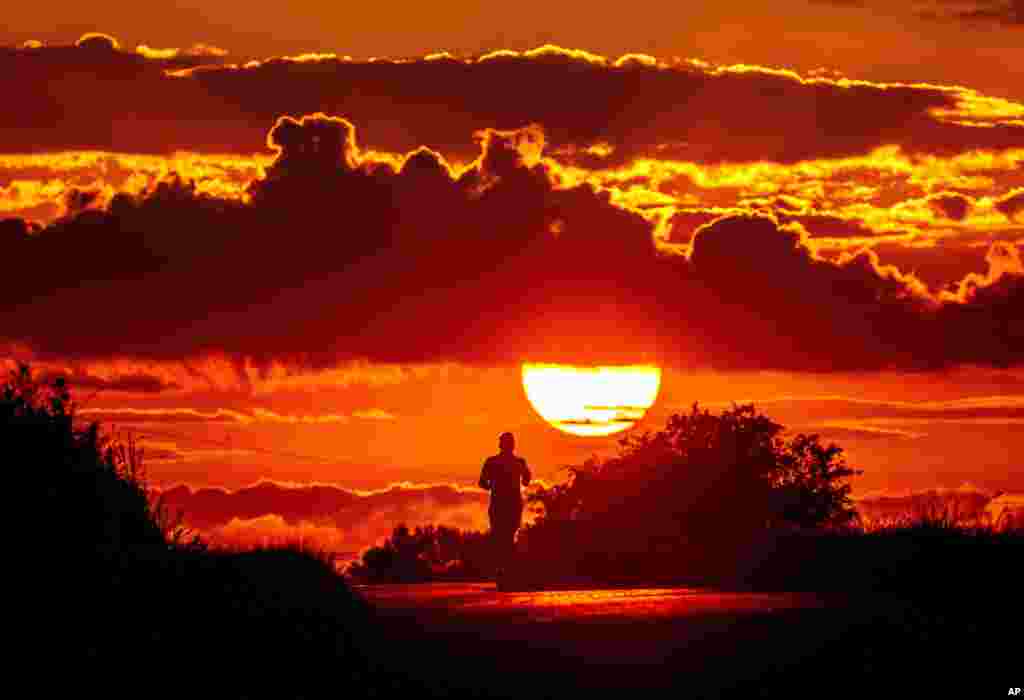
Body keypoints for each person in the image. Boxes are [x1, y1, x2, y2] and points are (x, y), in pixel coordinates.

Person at [479, 431, 531, 580]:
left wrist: (491, 486)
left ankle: (504, 569)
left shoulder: (494, 462)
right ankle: (505, 569)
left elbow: (482, 482)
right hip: (507, 504)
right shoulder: (516, 462)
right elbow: (527, 481)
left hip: (504, 504)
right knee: (505, 537)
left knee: (502, 537)